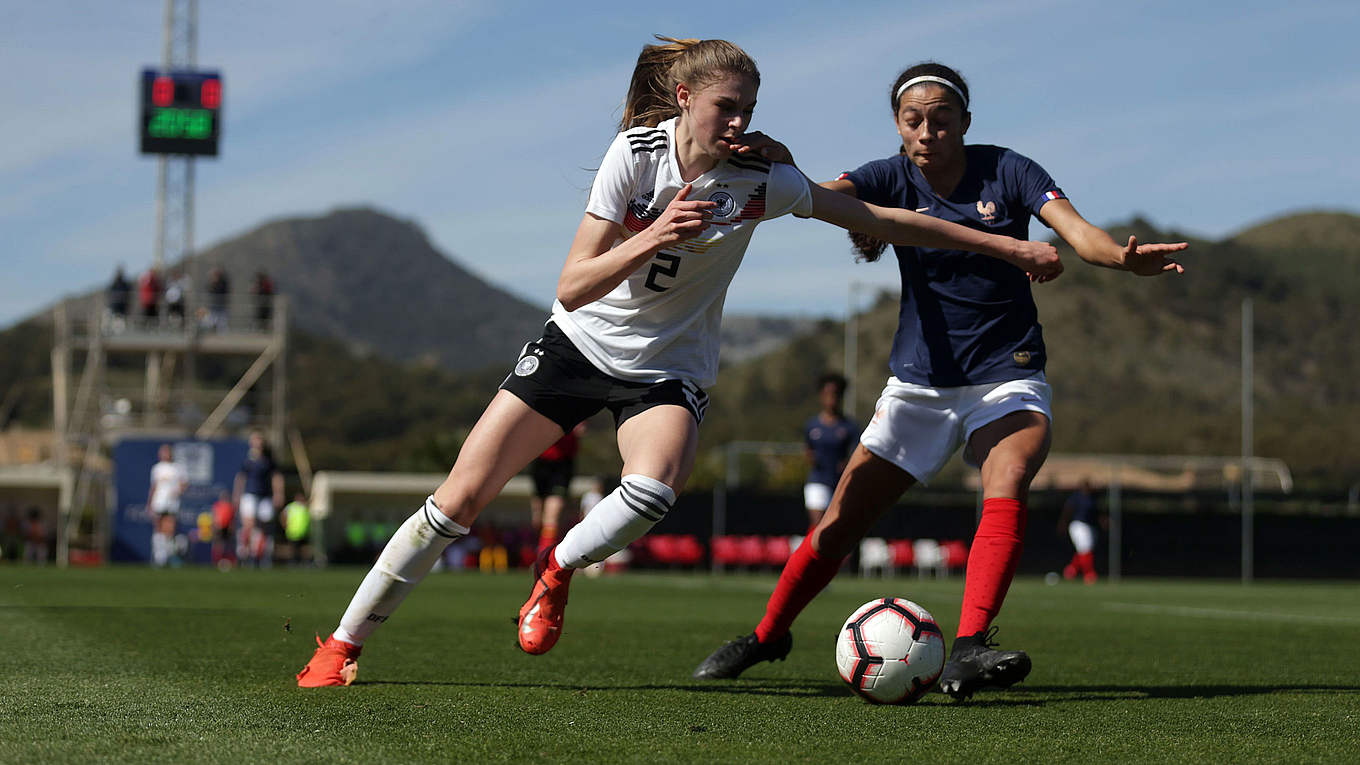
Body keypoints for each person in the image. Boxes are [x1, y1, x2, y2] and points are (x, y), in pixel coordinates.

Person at [295, 37, 1060, 688]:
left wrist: (1009, 246)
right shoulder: (635, 154)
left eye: (748, 112)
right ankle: (340, 645)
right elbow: (573, 283)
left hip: (669, 369)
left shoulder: (762, 181)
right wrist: (656, 232)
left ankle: (555, 569)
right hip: (578, 344)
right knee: (457, 500)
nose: (737, 123)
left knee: (654, 488)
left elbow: (888, 220)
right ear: (684, 98)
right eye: (725, 107)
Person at [692, 61, 1186, 700]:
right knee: (838, 526)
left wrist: (1119, 256)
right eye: (913, 120)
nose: (927, 131)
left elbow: (1079, 234)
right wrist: (781, 165)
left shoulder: (1009, 169)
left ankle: (971, 647)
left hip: (1006, 373)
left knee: (1008, 475)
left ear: (966, 124)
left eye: (942, 119)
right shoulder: (886, 177)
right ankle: (768, 635)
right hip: (918, 386)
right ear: (899, 127)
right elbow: (815, 197)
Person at [802, 373, 859, 530]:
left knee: (837, 528)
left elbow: (856, 452)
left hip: (840, 482)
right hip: (818, 480)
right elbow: (808, 448)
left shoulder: (849, 427)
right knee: (818, 526)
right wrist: (811, 458)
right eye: (827, 394)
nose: (831, 398)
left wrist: (846, 464)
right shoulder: (812, 425)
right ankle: (815, 554)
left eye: (835, 394)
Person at [529, 422, 587, 555]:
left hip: (562, 464)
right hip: (541, 460)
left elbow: (581, 428)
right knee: (538, 517)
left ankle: (544, 558)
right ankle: (540, 547)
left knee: (554, 511)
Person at [234, 430, 283, 567]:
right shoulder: (247, 460)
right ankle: (243, 553)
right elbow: (240, 478)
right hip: (250, 494)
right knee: (248, 525)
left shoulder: (269, 460)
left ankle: (260, 555)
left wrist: (278, 493)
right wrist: (237, 494)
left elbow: (276, 477)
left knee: (263, 526)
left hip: (265, 496)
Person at [147, 443, 188, 568]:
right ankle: (160, 557)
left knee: (169, 528)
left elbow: (184, 484)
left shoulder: (178, 468)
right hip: (159, 501)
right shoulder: (156, 469)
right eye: (162, 452)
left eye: (167, 452)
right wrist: (149, 502)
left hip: (171, 502)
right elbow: (153, 487)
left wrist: (176, 492)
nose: (165, 454)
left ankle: (169, 555)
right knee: (158, 527)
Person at [1058, 479, 1104, 583]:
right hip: (1079, 525)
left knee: (1084, 551)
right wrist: (1063, 523)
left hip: (1091, 527)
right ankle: (1089, 573)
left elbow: (1097, 513)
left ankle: (1071, 570)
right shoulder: (1076, 497)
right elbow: (1067, 511)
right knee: (1085, 549)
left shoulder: (1092, 498)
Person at [210, 489, 236, 569]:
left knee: (228, 545)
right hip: (219, 528)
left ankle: (230, 561)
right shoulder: (217, 505)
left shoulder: (230, 507)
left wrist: (231, 528)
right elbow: (215, 516)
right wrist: (215, 527)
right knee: (218, 545)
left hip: (227, 528)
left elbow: (232, 519)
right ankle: (216, 561)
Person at [204, 267, 230, 332]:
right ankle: (210, 332)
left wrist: (215, 283)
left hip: (222, 304)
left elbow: (222, 290)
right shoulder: (213, 282)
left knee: (222, 322)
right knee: (211, 321)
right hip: (214, 305)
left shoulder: (223, 282)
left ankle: (222, 335)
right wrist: (212, 282)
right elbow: (209, 290)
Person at [106, 265, 131, 332]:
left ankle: (121, 331)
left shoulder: (123, 284)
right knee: (115, 319)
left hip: (122, 305)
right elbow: (109, 292)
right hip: (115, 305)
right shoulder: (114, 283)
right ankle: (115, 331)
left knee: (121, 320)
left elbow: (128, 291)